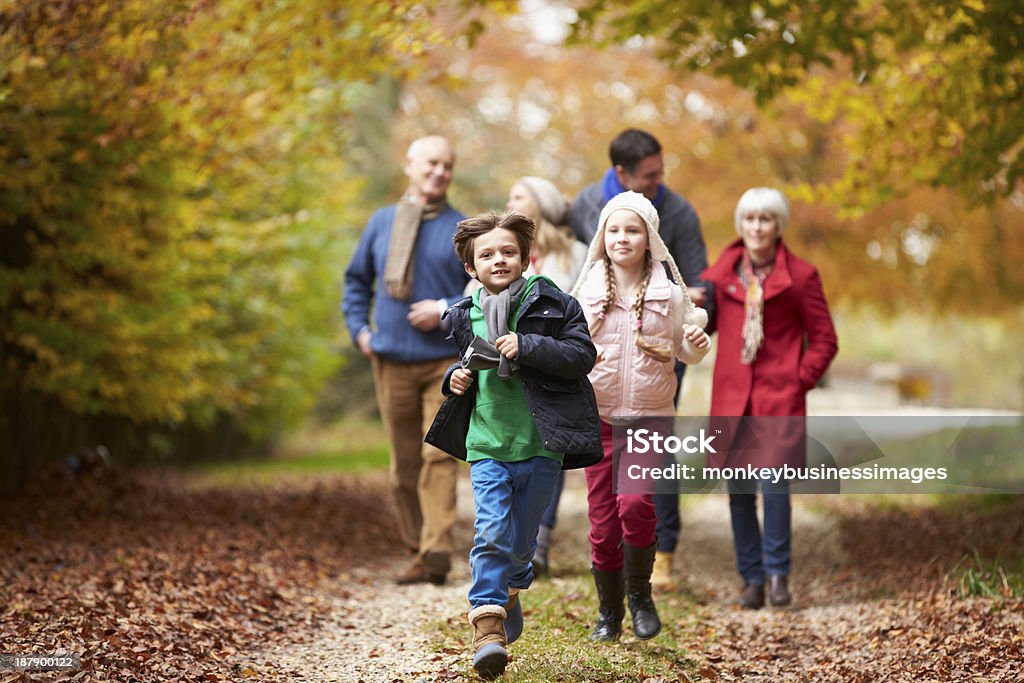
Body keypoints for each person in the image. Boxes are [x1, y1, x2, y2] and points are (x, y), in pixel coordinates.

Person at [425, 211, 602, 679]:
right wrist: (453, 379)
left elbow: (583, 356)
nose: (498, 260)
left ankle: (511, 590)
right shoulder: (465, 314)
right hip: (487, 444)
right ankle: (487, 623)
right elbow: (462, 364)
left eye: (508, 252)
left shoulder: (554, 303)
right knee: (490, 533)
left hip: (542, 445)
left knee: (522, 544)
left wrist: (528, 346)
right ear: (470, 268)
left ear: (526, 257)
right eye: (486, 254)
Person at [568, 128, 712, 589]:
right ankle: (610, 600)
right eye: (650, 174)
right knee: (603, 509)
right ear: (621, 173)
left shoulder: (678, 212)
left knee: (640, 493)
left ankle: (659, 557)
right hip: (600, 404)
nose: (659, 180)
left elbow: (694, 285)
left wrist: (690, 325)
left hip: (654, 372)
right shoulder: (587, 206)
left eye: (661, 171)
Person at [701, 187, 838, 609]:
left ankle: (778, 575)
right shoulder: (718, 277)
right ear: (740, 225)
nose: (757, 227)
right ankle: (752, 580)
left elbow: (825, 340)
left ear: (779, 225)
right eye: (750, 219)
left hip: (779, 397)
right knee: (739, 491)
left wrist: (799, 379)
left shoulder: (801, 276)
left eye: (765, 219)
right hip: (731, 399)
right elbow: (701, 328)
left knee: (775, 487)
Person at [342, 135, 470, 586]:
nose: (440, 172)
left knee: (438, 455)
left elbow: (482, 291)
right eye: (432, 163)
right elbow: (356, 280)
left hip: (443, 363)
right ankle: (419, 547)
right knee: (402, 466)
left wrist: (444, 308)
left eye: (448, 165)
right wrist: (359, 330)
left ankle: (437, 549)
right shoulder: (381, 222)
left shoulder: (463, 229)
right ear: (410, 165)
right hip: (390, 360)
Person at [504, 176, 589, 576]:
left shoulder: (575, 255)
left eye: (518, 196)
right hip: (510, 373)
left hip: (554, 368)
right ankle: (516, 538)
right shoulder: (500, 251)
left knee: (549, 451)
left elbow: (582, 312)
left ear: (542, 202)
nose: (510, 202)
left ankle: (540, 541)